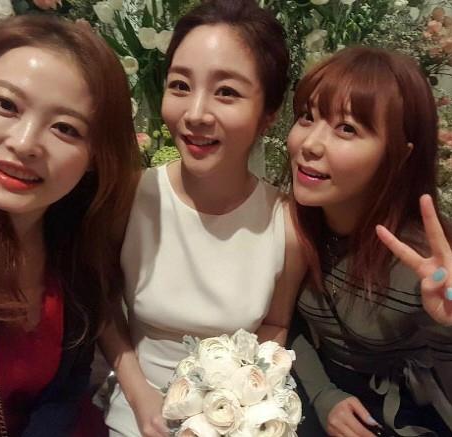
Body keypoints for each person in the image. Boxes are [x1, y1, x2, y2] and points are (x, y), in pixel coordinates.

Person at [0, 15, 139, 436]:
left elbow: (65, 392)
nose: (24, 143)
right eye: (5, 105)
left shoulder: (74, 242)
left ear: (96, 157)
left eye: (65, 128)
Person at [99, 1, 306, 436]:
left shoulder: (285, 221)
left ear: (268, 115)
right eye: (180, 85)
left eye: (226, 92)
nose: (195, 114)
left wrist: (243, 412)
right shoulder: (130, 197)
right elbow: (101, 303)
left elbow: (275, 324)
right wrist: (139, 395)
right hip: (136, 412)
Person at [287, 46, 452, 437]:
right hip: (316, 396)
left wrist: (449, 327)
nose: (310, 143)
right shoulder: (295, 222)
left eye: (346, 128)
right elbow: (282, 323)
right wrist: (323, 394)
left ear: (399, 155)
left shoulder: (427, 260)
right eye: (307, 116)